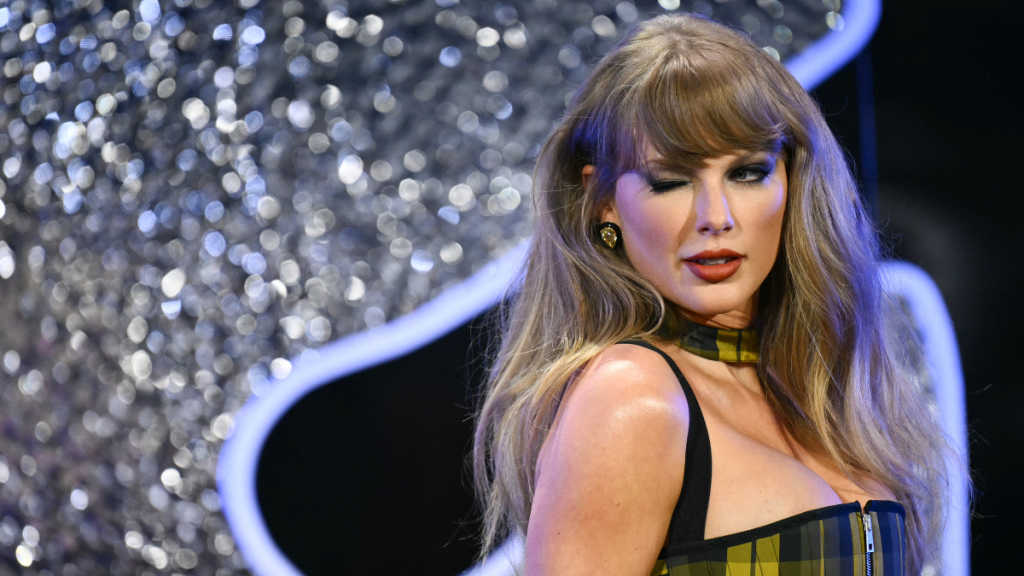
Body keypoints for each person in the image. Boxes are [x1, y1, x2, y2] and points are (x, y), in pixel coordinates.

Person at [472, 12, 958, 576]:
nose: (715, 218)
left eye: (748, 173)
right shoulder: (631, 397)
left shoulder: (821, 391)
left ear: (793, 181)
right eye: (671, 181)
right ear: (602, 201)